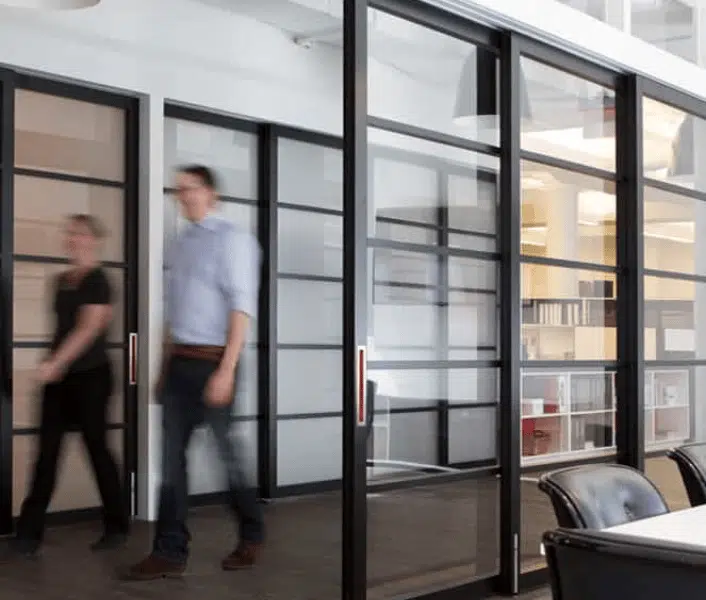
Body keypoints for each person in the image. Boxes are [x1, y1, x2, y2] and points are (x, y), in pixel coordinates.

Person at [125, 164, 264, 580]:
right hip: (180, 364)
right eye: (179, 189)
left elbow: (241, 308)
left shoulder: (234, 240)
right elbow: (174, 313)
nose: (183, 195)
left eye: (191, 188)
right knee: (171, 462)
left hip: (216, 361)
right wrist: (163, 366)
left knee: (226, 456)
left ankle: (252, 531)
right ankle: (169, 552)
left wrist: (227, 370)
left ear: (211, 194)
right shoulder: (178, 244)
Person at [8, 214, 129, 557]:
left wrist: (55, 363)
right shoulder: (60, 281)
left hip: (92, 376)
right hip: (60, 380)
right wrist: (54, 366)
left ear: (94, 240)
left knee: (96, 449)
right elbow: (62, 330)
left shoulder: (100, 281)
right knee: (46, 454)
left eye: (79, 233)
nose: (72, 238)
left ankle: (117, 525)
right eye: (70, 233)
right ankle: (28, 534)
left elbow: (89, 328)